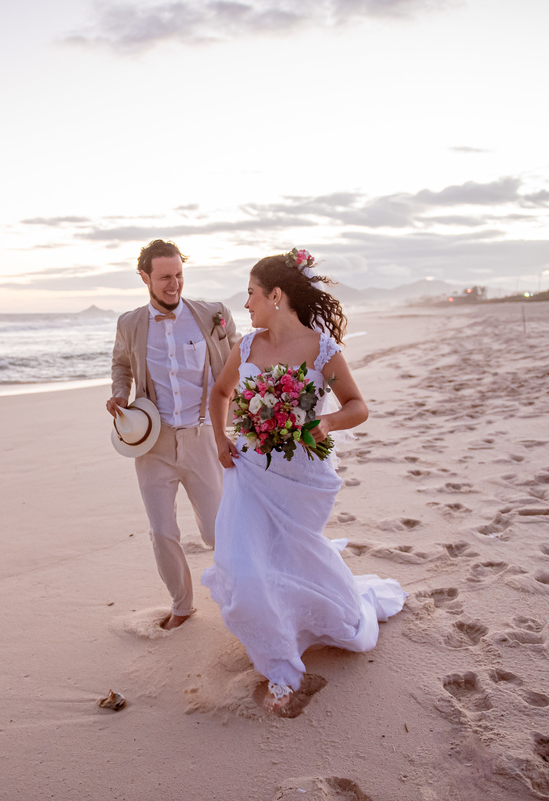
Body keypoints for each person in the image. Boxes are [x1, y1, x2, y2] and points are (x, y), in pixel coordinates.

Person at [201, 248, 406, 714]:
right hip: (249, 472)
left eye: (251, 294)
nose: (246, 304)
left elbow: (358, 404)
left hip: (299, 474)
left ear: (276, 295)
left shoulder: (321, 349)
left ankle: (323, 617)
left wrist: (328, 423)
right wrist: (220, 438)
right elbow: (220, 393)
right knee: (242, 563)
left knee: (292, 559)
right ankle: (281, 668)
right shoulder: (247, 347)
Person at [108, 239, 239, 630]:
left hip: (203, 437)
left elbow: (238, 363)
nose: (174, 285)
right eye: (165, 277)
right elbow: (120, 364)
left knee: (218, 529)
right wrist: (118, 393)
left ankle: (238, 596)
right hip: (153, 443)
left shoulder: (213, 314)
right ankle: (182, 605)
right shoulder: (129, 323)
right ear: (144, 277)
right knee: (163, 531)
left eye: (179, 275)